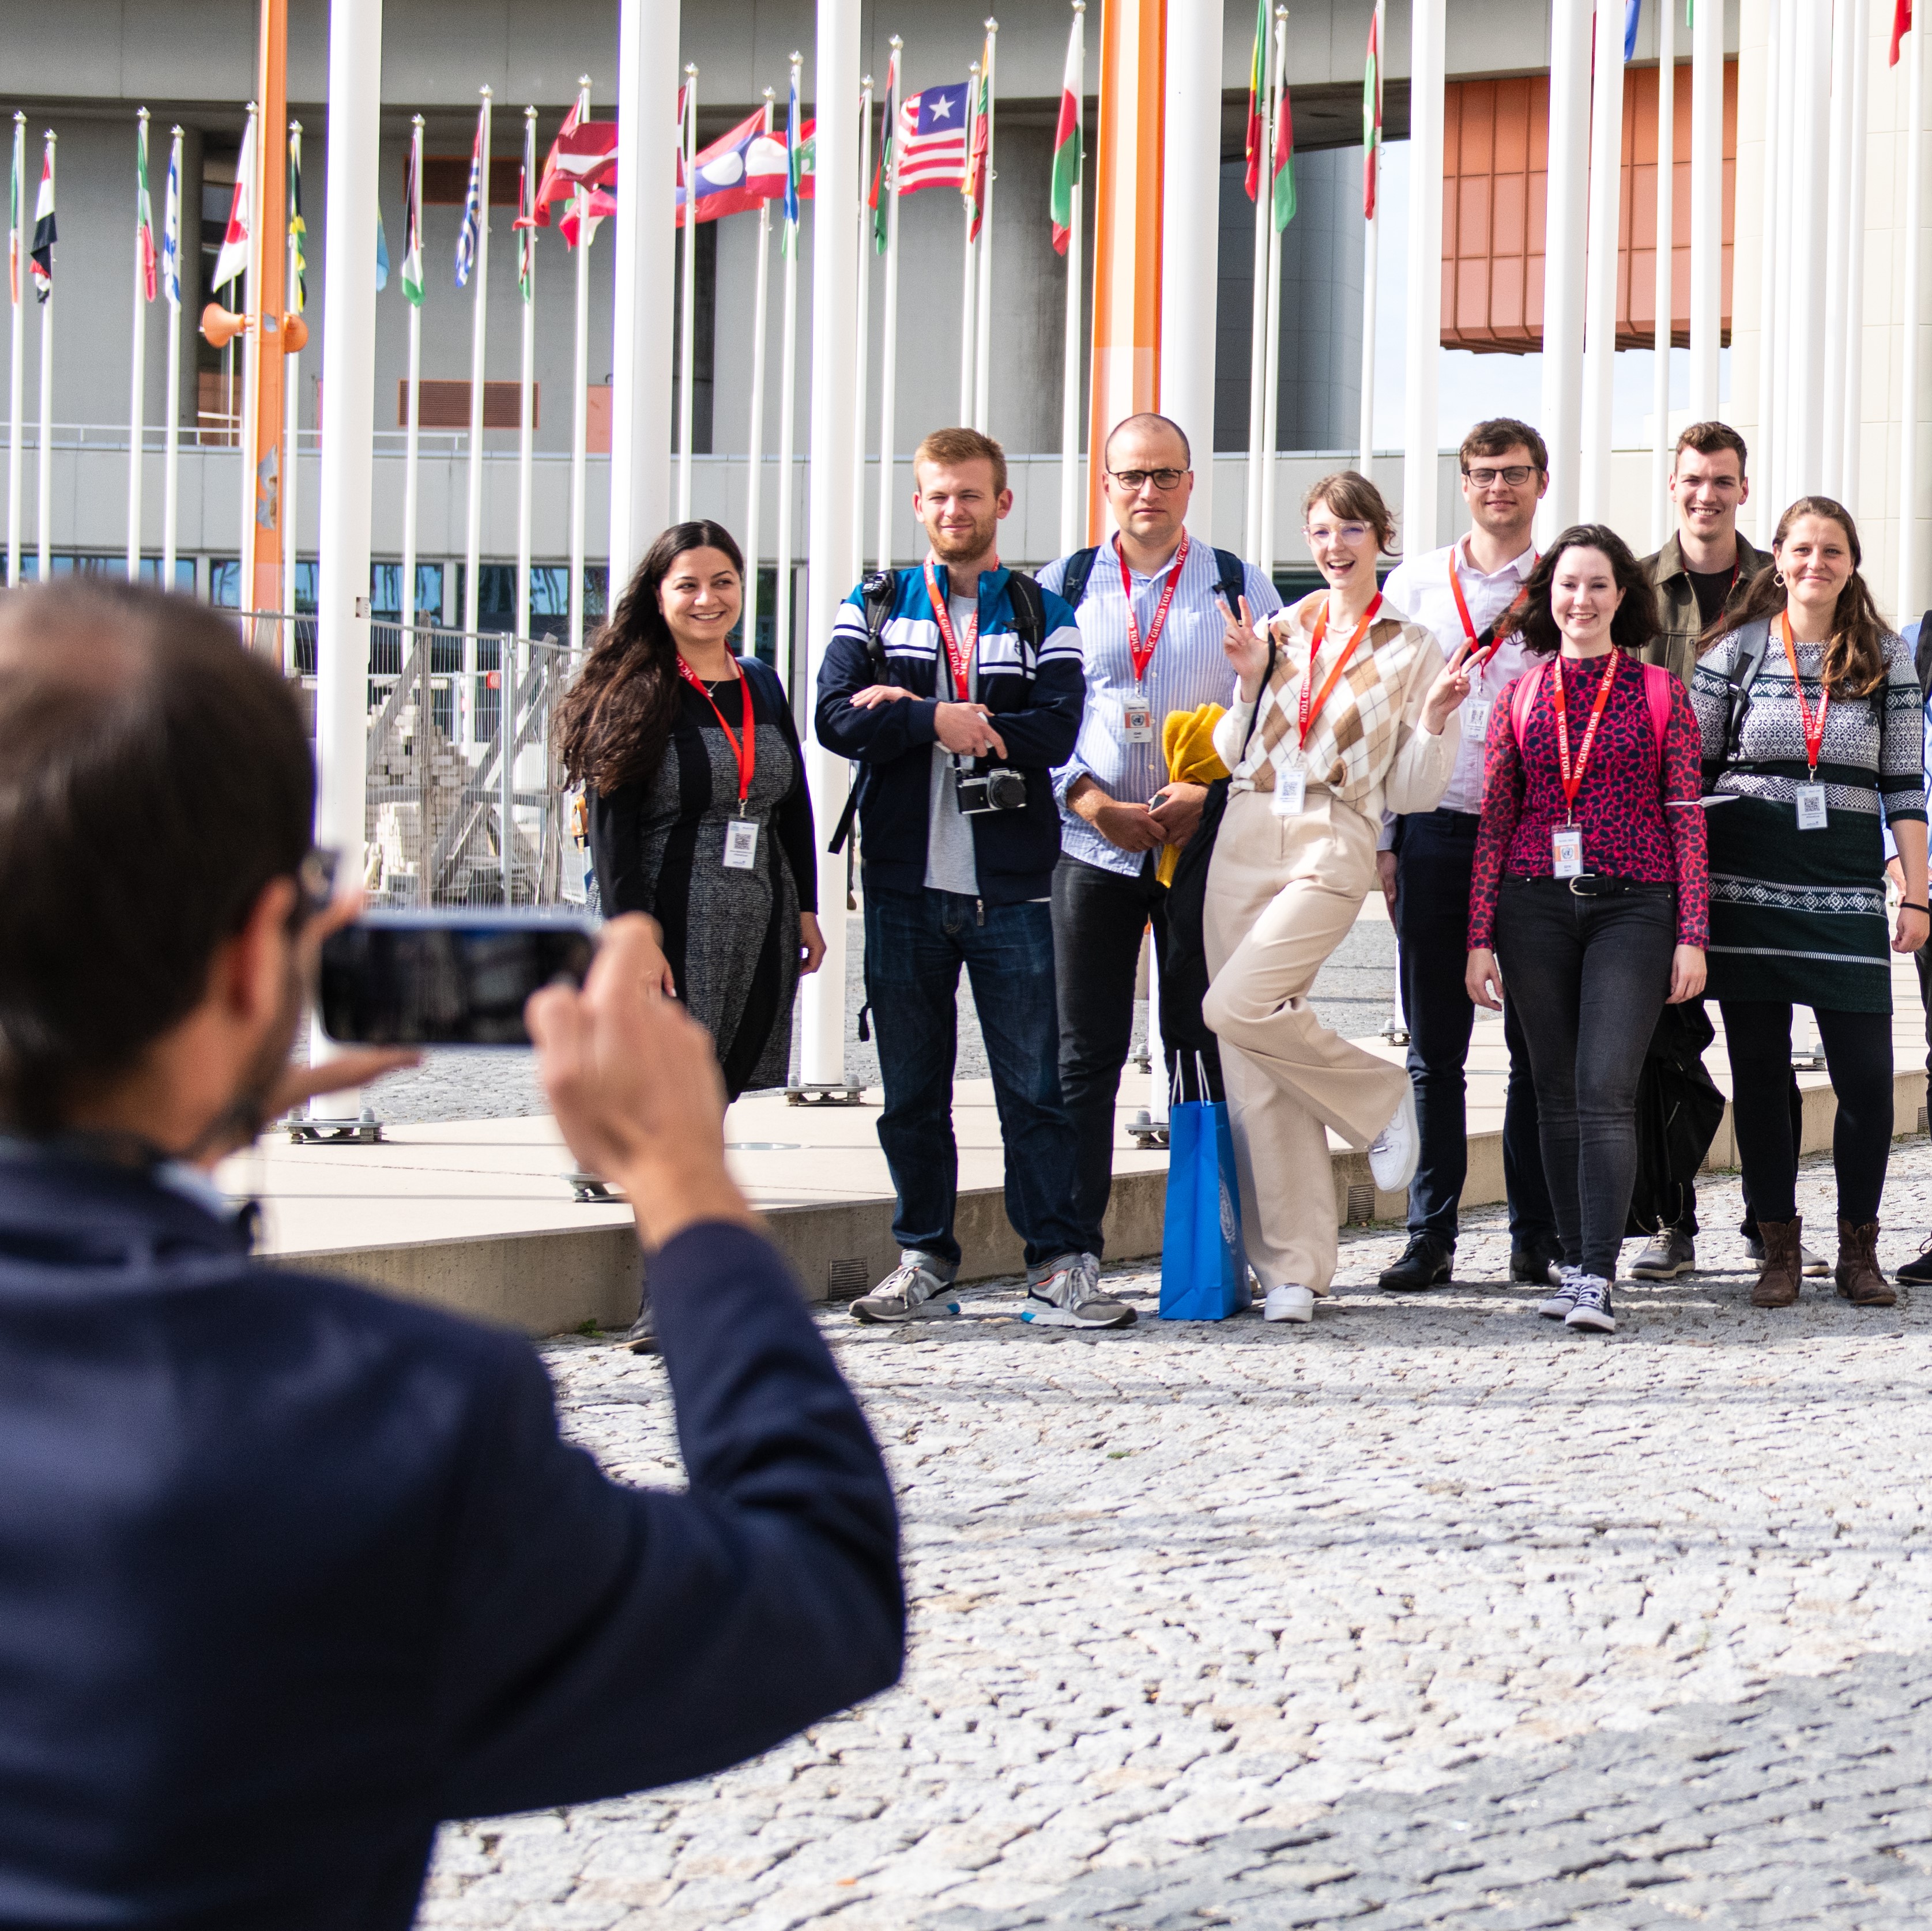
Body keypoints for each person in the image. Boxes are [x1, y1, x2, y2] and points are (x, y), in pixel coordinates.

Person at [0, 582, 903, 1922]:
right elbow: (814, 1588)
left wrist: (192, 1098)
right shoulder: (373, 1417)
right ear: (265, 962)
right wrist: (681, 1181)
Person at [815, 427, 1129, 1329]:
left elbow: (1058, 733)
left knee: (1035, 1092)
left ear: (1003, 503)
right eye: (940, 496)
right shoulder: (874, 604)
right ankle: (924, 1261)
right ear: (920, 505)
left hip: (1015, 891)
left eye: (971, 495)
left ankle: (1059, 1265)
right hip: (905, 889)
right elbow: (836, 716)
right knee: (913, 1093)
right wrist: (932, 716)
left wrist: (922, 714)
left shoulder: (1042, 613)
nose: (956, 510)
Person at [1205, 472, 1470, 1325]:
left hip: (1336, 829)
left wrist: (1433, 719)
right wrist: (1248, 682)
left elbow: (1418, 790)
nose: (1335, 546)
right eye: (1321, 531)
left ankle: (1376, 1096)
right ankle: (1295, 1268)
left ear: (1379, 537)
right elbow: (1227, 748)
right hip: (1249, 824)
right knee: (1252, 1053)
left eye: (1351, 529)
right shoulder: (1280, 628)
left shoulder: (1413, 645)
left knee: (1237, 1004)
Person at [558, 521, 824, 1353]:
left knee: (713, 1101)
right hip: (674, 910)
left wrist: (809, 905)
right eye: (689, 585)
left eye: (723, 582)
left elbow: (793, 805)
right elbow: (611, 826)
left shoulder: (761, 684)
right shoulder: (639, 688)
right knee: (669, 1108)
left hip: (760, 909)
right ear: (659, 596)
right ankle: (669, 1297)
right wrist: (633, 934)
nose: (708, 599)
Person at [1036, 412, 1280, 1259]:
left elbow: (1279, 717)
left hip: (1199, 848)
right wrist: (1084, 795)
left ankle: (1206, 1256)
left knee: (1200, 1039)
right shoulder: (1059, 585)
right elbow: (1032, 716)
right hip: (1091, 844)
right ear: (1106, 484)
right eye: (1132, 476)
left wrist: (1209, 793)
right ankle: (1073, 1252)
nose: (1148, 491)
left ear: (1189, 482)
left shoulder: (1239, 584)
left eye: (1165, 475)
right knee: (1083, 1052)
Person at [1467, 525, 1709, 1337]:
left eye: (1599, 584)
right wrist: (1477, 937)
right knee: (1555, 1093)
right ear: (1549, 597)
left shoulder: (1659, 694)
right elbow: (1497, 820)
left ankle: (1599, 1273)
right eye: (1568, 584)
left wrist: (1692, 932)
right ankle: (1573, 1261)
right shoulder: (1520, 695)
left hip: (1634, 906)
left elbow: (1685, 818)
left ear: (1622, 596)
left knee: (1605, 1087)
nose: (1582, 599)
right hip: (1532, 906)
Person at [1690, 497, 1928, 1308]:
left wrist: (1919, 894)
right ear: (1778, 560)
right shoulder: (1736, 650)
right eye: (1800, 548)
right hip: (1747, 884)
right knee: (1759, 1075)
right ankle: (1779, 1249)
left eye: (1831, 549)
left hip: (1846, 886)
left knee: (1864, 1077)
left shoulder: (1886, 655)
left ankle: (1860, 1249)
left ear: (1852, 562)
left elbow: (1905, 783)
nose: (1814, 562)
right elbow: (1692, 771)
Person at [1374, 417, 1561, 1293]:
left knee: (1536, 1044)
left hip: (1531, 831)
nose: (1500, 487)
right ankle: (1431, 1232)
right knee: (1433, 1049)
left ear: (1541, 481)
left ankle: (1536, 1233)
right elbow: (1381, 713)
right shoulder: (1413, 583)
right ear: (1464, 483)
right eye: (1485, 473)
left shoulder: (1565, 583)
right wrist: (1384, 835)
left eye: (1515, 473)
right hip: (1438, 825)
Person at [1630, 421, 1817, 1283]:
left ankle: (1769, 1220)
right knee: (1665, 1041)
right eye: (1693, 480)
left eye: (1722, 481)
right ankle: (1676, 1220)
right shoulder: (1633, 587)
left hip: (1753, 842)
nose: (1706, 495)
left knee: (1765, 1040)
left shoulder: (1782, 583)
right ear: (1673, 486)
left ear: (1745, 489)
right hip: (1657, 842)